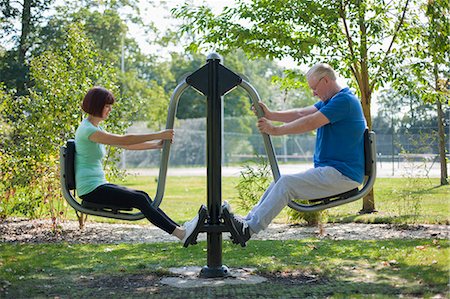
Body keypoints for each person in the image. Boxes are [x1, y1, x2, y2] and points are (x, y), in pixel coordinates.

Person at [228, 63, 367, 243]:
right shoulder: (333, 101)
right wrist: (272, 115)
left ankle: (248, 229)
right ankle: (248, 221)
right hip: (335, 171)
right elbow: (301, 113)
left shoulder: (344, 101)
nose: (313, 93)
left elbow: (311, 122)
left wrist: (276, 130)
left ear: (325, 81)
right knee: (281, 182)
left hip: (342, 174)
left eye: (314, 88)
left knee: (286, 184)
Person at [75, 86, 200, 243]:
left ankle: (181, 230)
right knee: (139, 200)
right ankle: (181, 234)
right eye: (107, 106)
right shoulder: (88, 130)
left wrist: (157, 145)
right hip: (91, 190)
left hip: (97, 185)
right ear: (96, 105)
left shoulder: (95, 127)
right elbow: (124, 140)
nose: (109, 110)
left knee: (143, 196)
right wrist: (159, 134)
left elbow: (126, 145)